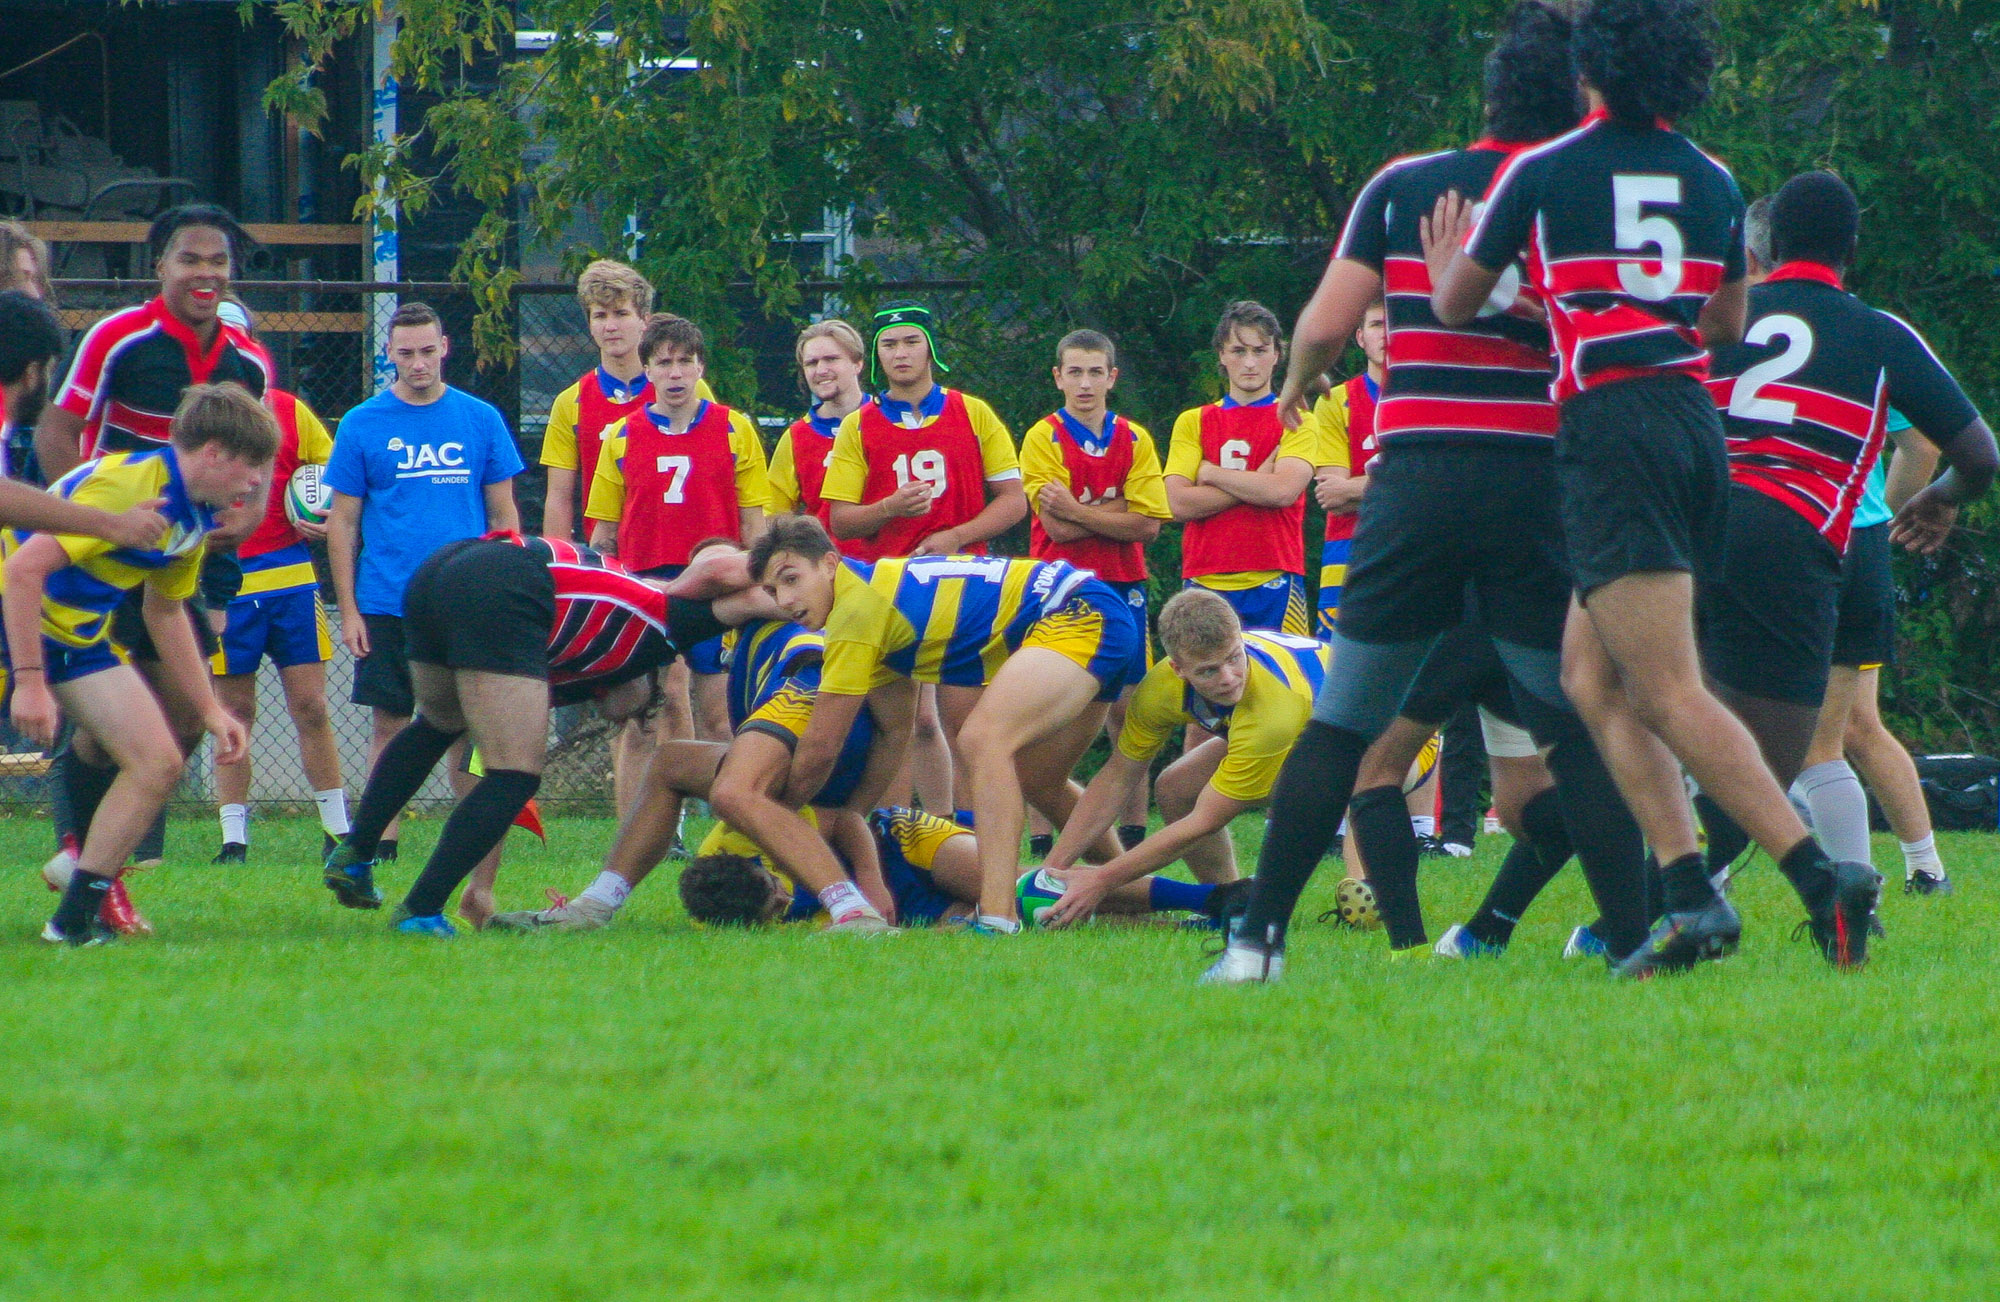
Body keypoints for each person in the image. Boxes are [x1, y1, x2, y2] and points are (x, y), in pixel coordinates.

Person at [1420, 0, 1876, 976]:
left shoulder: (1539, 169)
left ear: (1587, 68)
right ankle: (1684, 888)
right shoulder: (1710, 178)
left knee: (1663, 688)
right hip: (1691, 431)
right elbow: (1722, 322)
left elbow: (1457, 302)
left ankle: (1814, 881)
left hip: (1612, 435)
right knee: (1590, 677)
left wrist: (1456, 274)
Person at [1205, 2, 1654, 983]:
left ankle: (1256, 945)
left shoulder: (1403, 185)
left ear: (1485, 95)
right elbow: (1604, 335)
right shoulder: (1578, 190)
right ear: (1575, 98)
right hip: (1532, 485)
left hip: (1410, 482)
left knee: (1341, 720)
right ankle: (1632, 944)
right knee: (1567, 722)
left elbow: (1324, 324)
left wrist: (1289, 388)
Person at [1682, 170, 1994, 960]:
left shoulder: (1718, 315)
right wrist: (1942, 499)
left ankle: (1682, 900)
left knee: (1687, 727)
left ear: (1770, 243)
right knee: (1788, 749)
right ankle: (1800, 892)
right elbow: (1978, 453)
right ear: (1852, 249)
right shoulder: (1878, 331)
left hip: (1695, 538)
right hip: (1820, 544)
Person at [321, 534, 773, 934]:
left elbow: (474, 755)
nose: (630, 718)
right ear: (652, 678)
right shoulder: (670, 621)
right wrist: (820, 583)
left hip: (443, 571)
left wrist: (483, 885)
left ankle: (356, 852)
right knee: (514, 776)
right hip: (502, 577)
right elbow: (724, 569)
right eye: (647, 708)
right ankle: (421, 909)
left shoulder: (578, 664)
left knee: (439, 725)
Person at [33, 205, 274, 887]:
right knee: (115, 717)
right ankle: (90, 868)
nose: (206, 273)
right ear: (159, 266)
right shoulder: (120, 336)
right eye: (190, 259)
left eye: (218, 261)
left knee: (188, 717)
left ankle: (88, 862)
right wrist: (88, 528)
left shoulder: (247, 357)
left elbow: (262, 449)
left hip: (177, 561)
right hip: (106, 556)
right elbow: (58, 429)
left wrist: (248, 513)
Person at [749, 516, 1140, 931]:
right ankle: (1132, 900)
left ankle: (996, 918)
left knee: (983, 739)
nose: (786, 600)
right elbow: (893, 735)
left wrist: (773, 818)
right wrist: (850, 821)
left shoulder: (854, 613)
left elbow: (820, 749)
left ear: (830, 563)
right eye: (773, 591)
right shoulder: (870, 600)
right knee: (1039, 779)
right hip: (1089, 606)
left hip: (1076, 611)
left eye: (791, 579)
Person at [6, 383, 271, 944]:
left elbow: (167, 611)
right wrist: (29, 682)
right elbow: (23, 571)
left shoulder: (196, 518)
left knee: (158, 762)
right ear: (213, 452)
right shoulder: (132, 486)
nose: (255, 482)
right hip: (16, 618)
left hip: (74, 637)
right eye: (250, 466)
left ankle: (73, 921)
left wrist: (210, 709)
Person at [492, 603, 903, 934]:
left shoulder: (770, 598)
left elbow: (891, 730)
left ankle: (852, 912)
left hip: (814, 711)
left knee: (732, 793)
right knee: (672, 762)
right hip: (822, 750)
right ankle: (595, 904)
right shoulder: (746, 632)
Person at [325, 301, 523, 865]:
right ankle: (375, 847)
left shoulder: (480, 418)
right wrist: (351, 609)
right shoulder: (363, 423)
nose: (417, 364)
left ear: (445, 350)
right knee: (390, 721)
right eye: (405, 353)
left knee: (466, 724)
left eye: (427, 351)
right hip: (388, 599)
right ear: (388, 354)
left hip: (464, 600)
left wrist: (504, 594)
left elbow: (504, 515)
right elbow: (344, 521)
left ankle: (468, 846)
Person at [820, 301, 1026, 823]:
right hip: (891, 588)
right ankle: (894, 835)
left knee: (964, 722)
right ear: (876, 357)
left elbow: (1013, 501)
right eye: (889, 345)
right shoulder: (859, 425)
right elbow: (839, 521)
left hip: (965, 586)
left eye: (911, 341)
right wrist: (889, 508)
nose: (901, 353)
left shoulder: (972, 412)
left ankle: (971, 834)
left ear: (931, 348)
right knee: (897, 723)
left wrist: (955, 536)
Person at [1035, 589, 1333, 928]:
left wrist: (1101, 879)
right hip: (1299, 723)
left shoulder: (1273, 714)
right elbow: (1120, 774)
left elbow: (1204, 821)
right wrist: (1052, 870)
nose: (1227, 677)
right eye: (1208, 671)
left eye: (1234, 658)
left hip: (1362, 741)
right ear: (1178, 668)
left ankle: (1366, 889)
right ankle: (1231, 902)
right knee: (1176, 787)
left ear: (1240, 640)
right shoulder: (1159, 689)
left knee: (1303, 791)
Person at [586, 312, 768, 802]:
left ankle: (734, 824)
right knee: (644, 715)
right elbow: (603, 534)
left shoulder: (734, 429)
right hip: (648, 591)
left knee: (720, 713)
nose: (675, 373)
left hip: (716, 589)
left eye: (685, 362)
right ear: (647, 370)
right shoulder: (621, 436)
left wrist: (758, 584)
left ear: (700, 368)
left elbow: (755, 523)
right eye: (664, 363)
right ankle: (635, 833)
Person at [205, 300, 346, 864]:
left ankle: (337, 830)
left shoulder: (289, 410)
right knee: (233, 712)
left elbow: (329, 475)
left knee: (310, 705)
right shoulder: (198, 422)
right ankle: (233, 839)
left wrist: (319, 510)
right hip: (226, 582)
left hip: (290, 579)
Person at [1019, 328, 1169, 854]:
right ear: (1058, 377)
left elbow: (1149, 526)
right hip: (1061, 586)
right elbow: (1055, 532)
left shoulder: (1133, 439)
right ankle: (1041, 838)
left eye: (1095, 372)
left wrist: (1081, 511)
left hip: (1124, 582)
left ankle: (1130, 834)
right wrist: (1118, 510)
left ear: (1112, 377)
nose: (1085, 383)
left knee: (1130, 714)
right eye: (1074, 372)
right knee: (1048, 715)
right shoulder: (1043, 436)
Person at [685, 806, 1241, 929]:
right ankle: (1186, 926)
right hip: (909, 910)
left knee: (1027, 892)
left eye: (775, 888)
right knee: (1035, 924)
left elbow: (844, 817)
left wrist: (870, 884)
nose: (785, 900)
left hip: (899, 846)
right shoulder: (730, 918)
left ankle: (1219, 899)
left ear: (753, 864)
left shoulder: (744, 831)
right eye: (775, 910)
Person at [1165, 301, 1318, 638]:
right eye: (1238, 350)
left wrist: (1212, 473)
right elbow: (1177, 504)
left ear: (1277, 354)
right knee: (1207, 684)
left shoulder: (1298, 420)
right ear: (1221, 354)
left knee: (1281, 682)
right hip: (1204, 579)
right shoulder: (1194, 421)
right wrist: (1258, 481)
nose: (1249, 362)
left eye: (1260, 350)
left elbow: (1282, 492)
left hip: (1274, 576)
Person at [541, 260, 703, 542]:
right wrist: (559, 564)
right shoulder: (571, 402)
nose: (611, 326)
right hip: (607, 551)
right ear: (589, 324)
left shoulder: (686, 388)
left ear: (645, 320)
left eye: (621, 313)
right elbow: (558, 496)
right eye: (600, 316)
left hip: (681, 548)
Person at [1309, 301, 1386, 635]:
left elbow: (1440, 489)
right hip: (1347, 550)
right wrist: (1408, 485)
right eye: (1376, 325)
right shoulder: (1334, 401)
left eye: (1396, 323)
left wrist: (1357, 488)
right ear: (1360, 337)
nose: (1387, 334)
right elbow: (1332, 495)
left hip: (1415, 546)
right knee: (1336, 665)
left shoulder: (1429, 400)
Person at [766, 319, 869, 530]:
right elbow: (774, 513)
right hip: (827, 558)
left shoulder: (889, 422)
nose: (821, 370)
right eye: (811, 363)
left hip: (891, 557)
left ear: (857, 363)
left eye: (831, 359)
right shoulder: (797, 437)